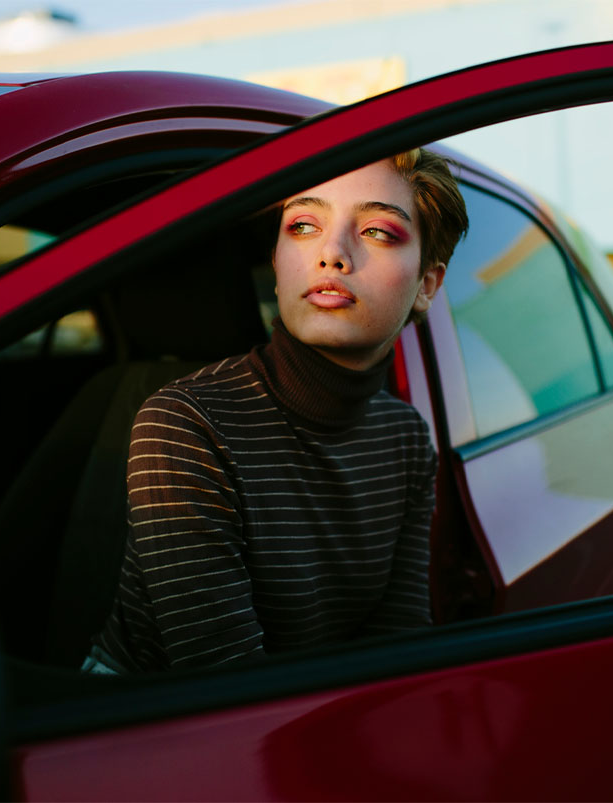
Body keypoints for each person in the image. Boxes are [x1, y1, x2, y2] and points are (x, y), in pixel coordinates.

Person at [84, 148, 468, 673]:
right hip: (146, 733)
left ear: (427, 284)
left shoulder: (404, 438)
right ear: (276, 264)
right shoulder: (187, 423)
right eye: (304, 225)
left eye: (378, 231)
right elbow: (226, 692)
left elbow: (396, 657)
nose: (331, 254)